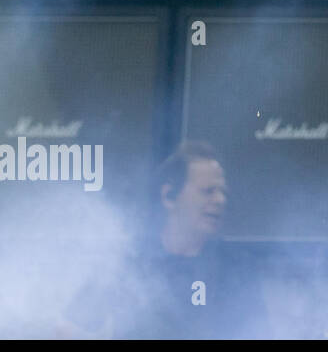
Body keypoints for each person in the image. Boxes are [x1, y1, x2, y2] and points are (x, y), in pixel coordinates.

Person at [60, 141, 268, 339]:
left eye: (223, 192)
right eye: (208, 191)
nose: (220, 200)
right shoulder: (128, 261)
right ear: (169, 196)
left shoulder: (236, 268)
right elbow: (66, 329)